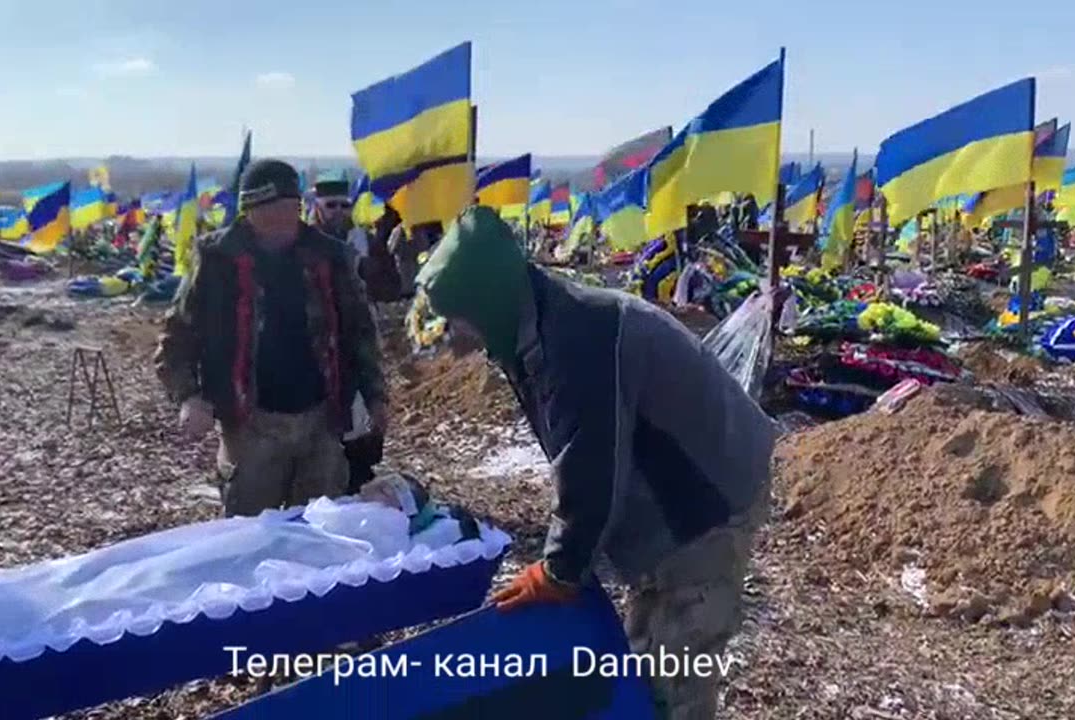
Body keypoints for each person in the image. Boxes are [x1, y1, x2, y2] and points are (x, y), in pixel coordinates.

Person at [416, 206, 776, 719]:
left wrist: (559, 571)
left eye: (456, 313)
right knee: (644, 664)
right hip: (674, 490)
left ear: (485, 299)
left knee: (676, 676)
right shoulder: (536, 322)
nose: (451, 328)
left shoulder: (579, 338)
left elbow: (589, 466)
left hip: (706, 499)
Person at [155, 159, 388, 517]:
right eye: (268, 212)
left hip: (321, 421)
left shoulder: (331, 257)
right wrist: (188, 396)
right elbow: (177, 336)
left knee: (319, 532)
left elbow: (361, 333)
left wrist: (375, 398)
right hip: (250, 423)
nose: (280, 221)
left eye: (288, 210)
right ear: (248, 211)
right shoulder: (217, 259)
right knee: (248, 536)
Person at [307, 173, 385, 494]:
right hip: (312, 351)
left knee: (361, 431)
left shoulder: (358, 240)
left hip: (354, 343)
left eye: (344, 205)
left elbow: (381, 285)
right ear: (317, 207)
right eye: (331, 205)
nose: (339, 211)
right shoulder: (303, 245)